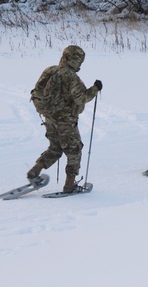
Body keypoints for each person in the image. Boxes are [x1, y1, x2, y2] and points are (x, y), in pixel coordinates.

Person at [26, 45, 102, 193]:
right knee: (74, 151)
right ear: (75, 60)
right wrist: (95, 88)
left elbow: (37, 91)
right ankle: (70, 185)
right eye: (79, 61)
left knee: (55, 148)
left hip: (49, 118)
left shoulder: (50, 70)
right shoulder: (71, 77)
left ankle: (35, 170)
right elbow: (81, 98)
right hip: (66, 121)